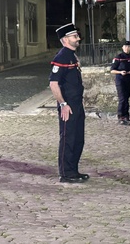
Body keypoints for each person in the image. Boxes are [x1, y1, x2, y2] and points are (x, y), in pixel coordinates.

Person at [49, 23, 89, 183]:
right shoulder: (62, 57)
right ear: (65, 40)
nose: (78, 38)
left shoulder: (72, 55)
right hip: (68, 105)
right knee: (68, 138)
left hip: (77, 104)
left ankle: (73, 170)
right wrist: (63, 104)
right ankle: (65, 173)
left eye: (77, 36)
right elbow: (53, 84)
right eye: (75, 36)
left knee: (78, 138)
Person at [110, 40, 130, 126]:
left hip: (129, 79)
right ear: (122, 47)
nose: (127, 48)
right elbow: (112, 70)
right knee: (122, 98)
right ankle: (121, 116)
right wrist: (120, 72)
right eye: (125, 46)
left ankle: (126, 116)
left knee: (127, 98)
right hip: (120, 80)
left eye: (128, 47)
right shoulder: (118, 57)